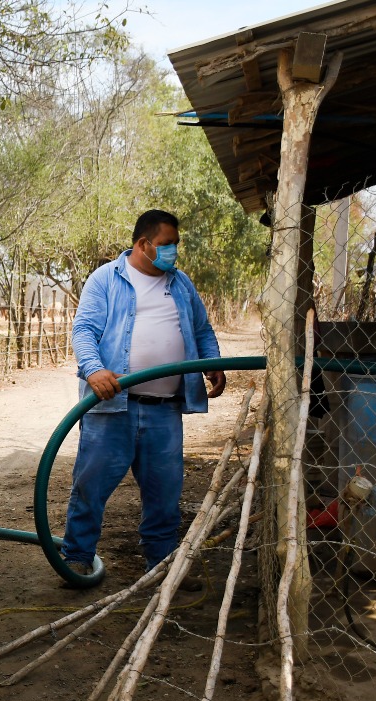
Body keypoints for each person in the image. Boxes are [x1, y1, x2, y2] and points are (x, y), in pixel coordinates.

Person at [60, 209, 225, 586]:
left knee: (165, 494)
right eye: (166, 245)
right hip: (112, 407)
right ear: (142, 244)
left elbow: (202, 329)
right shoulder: (106, 279)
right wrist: (93, 368)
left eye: (175, 245)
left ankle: (161, 565)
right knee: (91, 485)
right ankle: (78, 558)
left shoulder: (181, 284)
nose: (173, 253)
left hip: (164, 411)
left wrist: (213, 363)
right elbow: (84, 329)